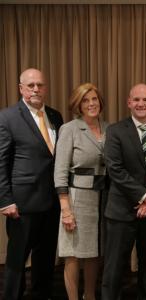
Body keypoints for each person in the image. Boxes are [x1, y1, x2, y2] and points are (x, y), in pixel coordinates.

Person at [101, 83, 146, 300]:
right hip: (121, 211)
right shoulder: (115, 131)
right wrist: (144, 196)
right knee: (114, 269)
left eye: (145, 100)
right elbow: (115, 169)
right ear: (129, 102)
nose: (141, 104)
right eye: (136, 99)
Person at [0, 68, 64, 300]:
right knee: (17, 261)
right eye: (31, 85)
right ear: (21, 88)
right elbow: (0, 163)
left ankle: (41, 295)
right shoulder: (7, 117)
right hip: (22, 205)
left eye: (40, 85)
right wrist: (5, 200)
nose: (36, 89)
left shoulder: (56, 116)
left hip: (51, 202)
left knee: (45, 259)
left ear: (46, 88)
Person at [54, 83, 108, 300]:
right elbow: (60, 172)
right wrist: (65, 209)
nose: (91, 104)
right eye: (85, 100)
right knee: (73, 255)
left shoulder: (109, 128)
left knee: (94, 252)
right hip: (77, 198)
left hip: (103, 198)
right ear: (78, 104)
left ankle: (90, 296)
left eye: (94, 99)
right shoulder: (69, 129)